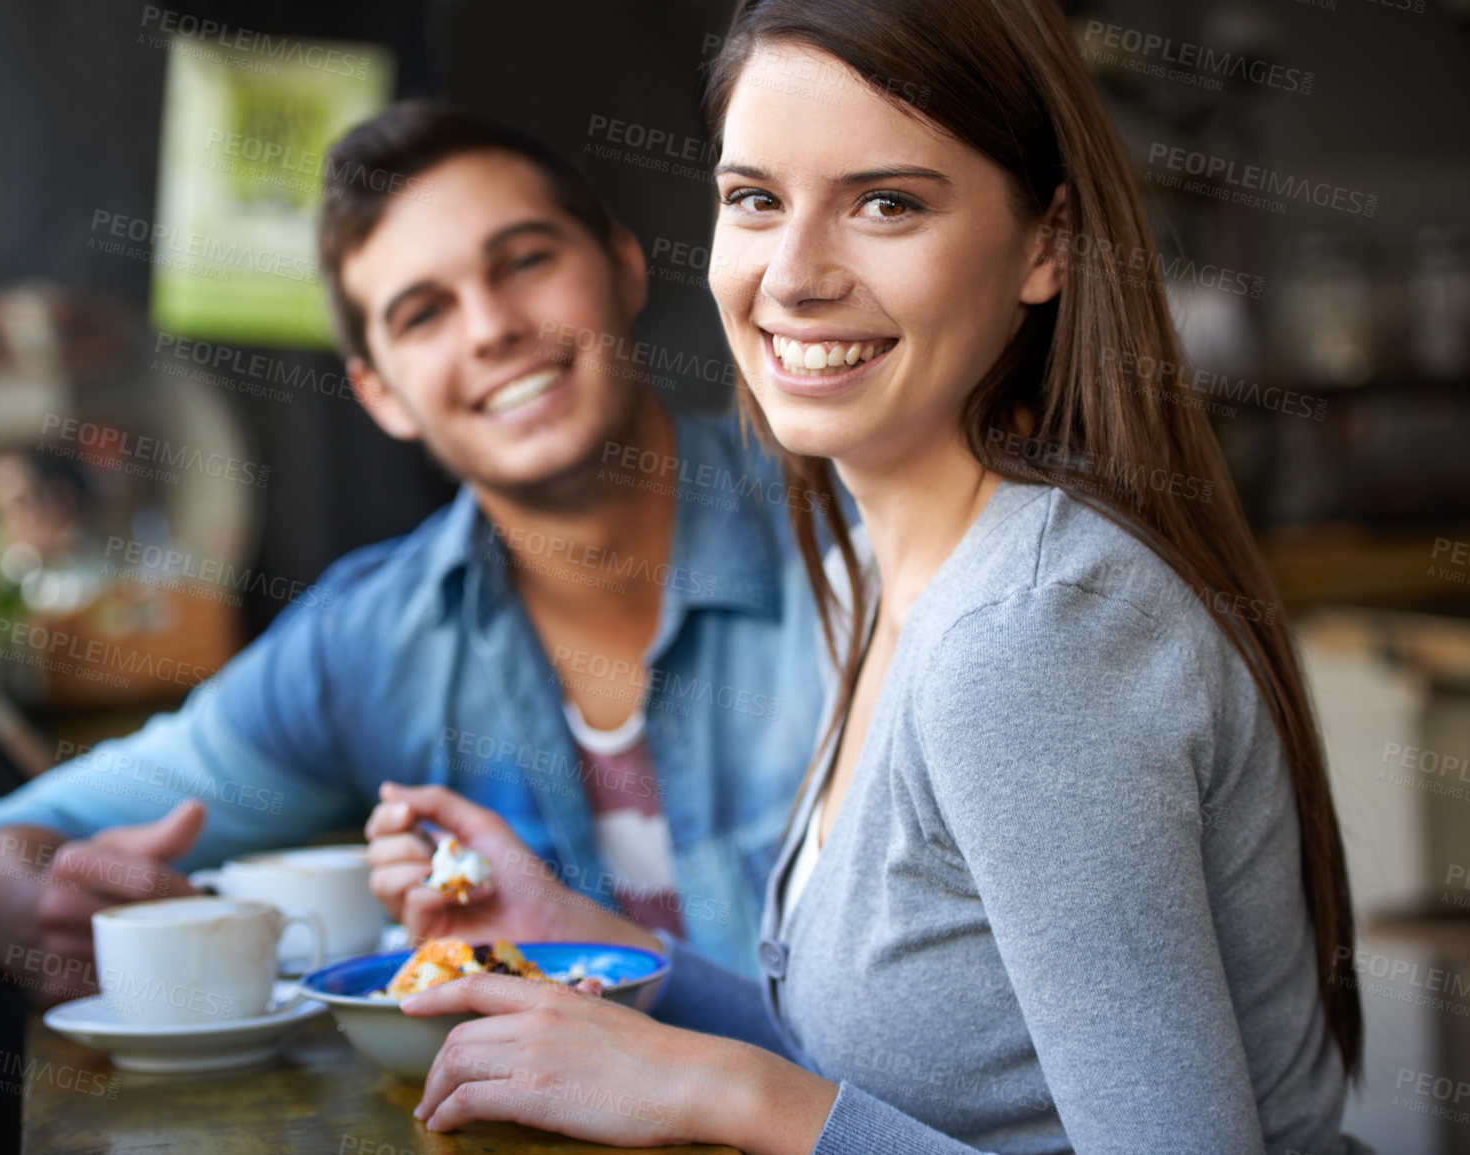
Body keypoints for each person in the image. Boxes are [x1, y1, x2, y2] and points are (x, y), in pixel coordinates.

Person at [374, 2, 1373, 1151]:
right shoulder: (866, 570)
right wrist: (584, 937)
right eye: (756, 200)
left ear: (1047, 245)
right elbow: (905, 1072)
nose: (794, 277)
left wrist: (736, 1098)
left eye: (886, 203)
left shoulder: (1028, 638)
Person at [0, 100, 830, 1006]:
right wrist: (13, 893)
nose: (489, 328)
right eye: (421, 313)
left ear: (624, 267)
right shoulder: (369, 642)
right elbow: (13, 836)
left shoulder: (854, 534)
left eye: (525, 261)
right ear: (381, 394)